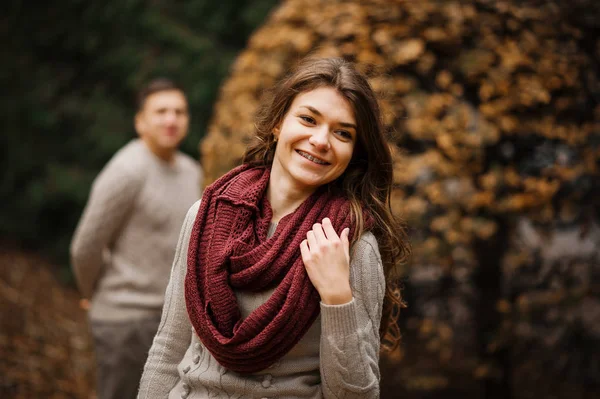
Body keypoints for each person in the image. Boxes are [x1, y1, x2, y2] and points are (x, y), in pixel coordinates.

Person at [138, 57, 409, 399]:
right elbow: (168, 348)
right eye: (308, 119)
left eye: (343, 133)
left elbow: (356, 395)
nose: (321, 140)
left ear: (354, 152)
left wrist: (338, 297)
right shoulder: (206, 216)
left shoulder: (351, 244)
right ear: (279, 124)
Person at [70, 78, 203, 399]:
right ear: (140, 122)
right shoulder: (127, 170)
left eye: (179, 112)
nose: (171, 119)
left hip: (173, 321)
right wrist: (92, 291)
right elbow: (85, 246)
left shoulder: (191, 171)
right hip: (125, 320)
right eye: (161, 112)